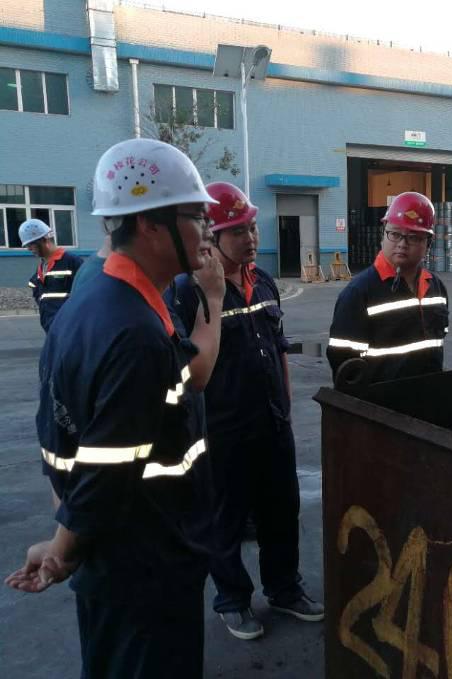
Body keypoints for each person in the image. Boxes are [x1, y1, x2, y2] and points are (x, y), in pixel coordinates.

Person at [5, 138, 221, 679]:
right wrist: (63, 549)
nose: (208, 231)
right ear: (150, 224)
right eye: (196, 216)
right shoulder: (132, 331)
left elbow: (61, 429)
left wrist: (64, 538)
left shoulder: (96, 289)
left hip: (121, 562)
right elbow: (107, 469)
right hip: (146, 567)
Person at [166, 182, 323, 641]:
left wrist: (285, 409)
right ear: (212, 236)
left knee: (281, 512)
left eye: (252, 227)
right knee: (225, 520)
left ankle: (284, 588)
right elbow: (187, 370)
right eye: (238, 231)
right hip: (221, 432)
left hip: (272, 423)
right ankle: (232, 600)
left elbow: (278, 349)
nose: (250, 238)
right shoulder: (188, 291)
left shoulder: (265, 282)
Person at [327, 191, 449, 382]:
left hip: (430, 395)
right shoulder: (359, 292)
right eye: (395, 234)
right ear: (383, 235)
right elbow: (344, 363)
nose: (402, 244)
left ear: (428, 243)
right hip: (379, 398)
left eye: (413, 237)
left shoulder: (436, 288)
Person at [20, 218, 82, 332]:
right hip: (51, 329)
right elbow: (37, 289)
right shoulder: (42, 266)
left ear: (45, 240)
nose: (28, 249)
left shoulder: (72, 262)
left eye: (31, 244)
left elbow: (86, 296)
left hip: (71, 329)